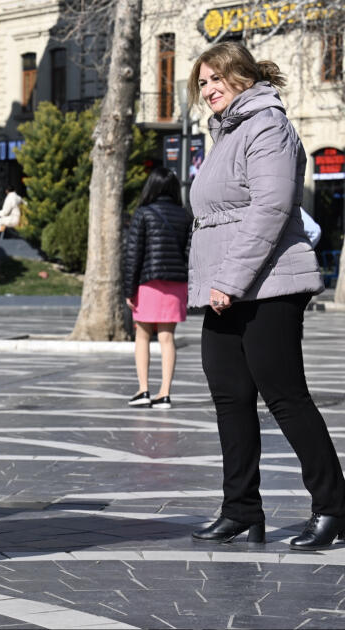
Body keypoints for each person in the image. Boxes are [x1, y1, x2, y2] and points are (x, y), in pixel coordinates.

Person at [187, 42, 345, 550]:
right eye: (203, 82)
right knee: (230, 400)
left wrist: (229, 280)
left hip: (268, 284)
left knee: (285, 397)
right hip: (228, 291)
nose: (209, 89)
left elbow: (272, 208)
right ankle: (241, 511)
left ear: (244, 77)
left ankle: (333, 507)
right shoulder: (226, 133)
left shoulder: (268, 126)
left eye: (217, 79)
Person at [123, 168, 191, 409]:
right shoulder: (184, 216)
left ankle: (143, 390)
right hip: (176, 283)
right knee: (166, 338)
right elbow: (188, 252)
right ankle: (165, 393)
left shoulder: (143, 214)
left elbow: (134, 255)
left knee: (142, 335)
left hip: (148, 282)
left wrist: (129, 290)